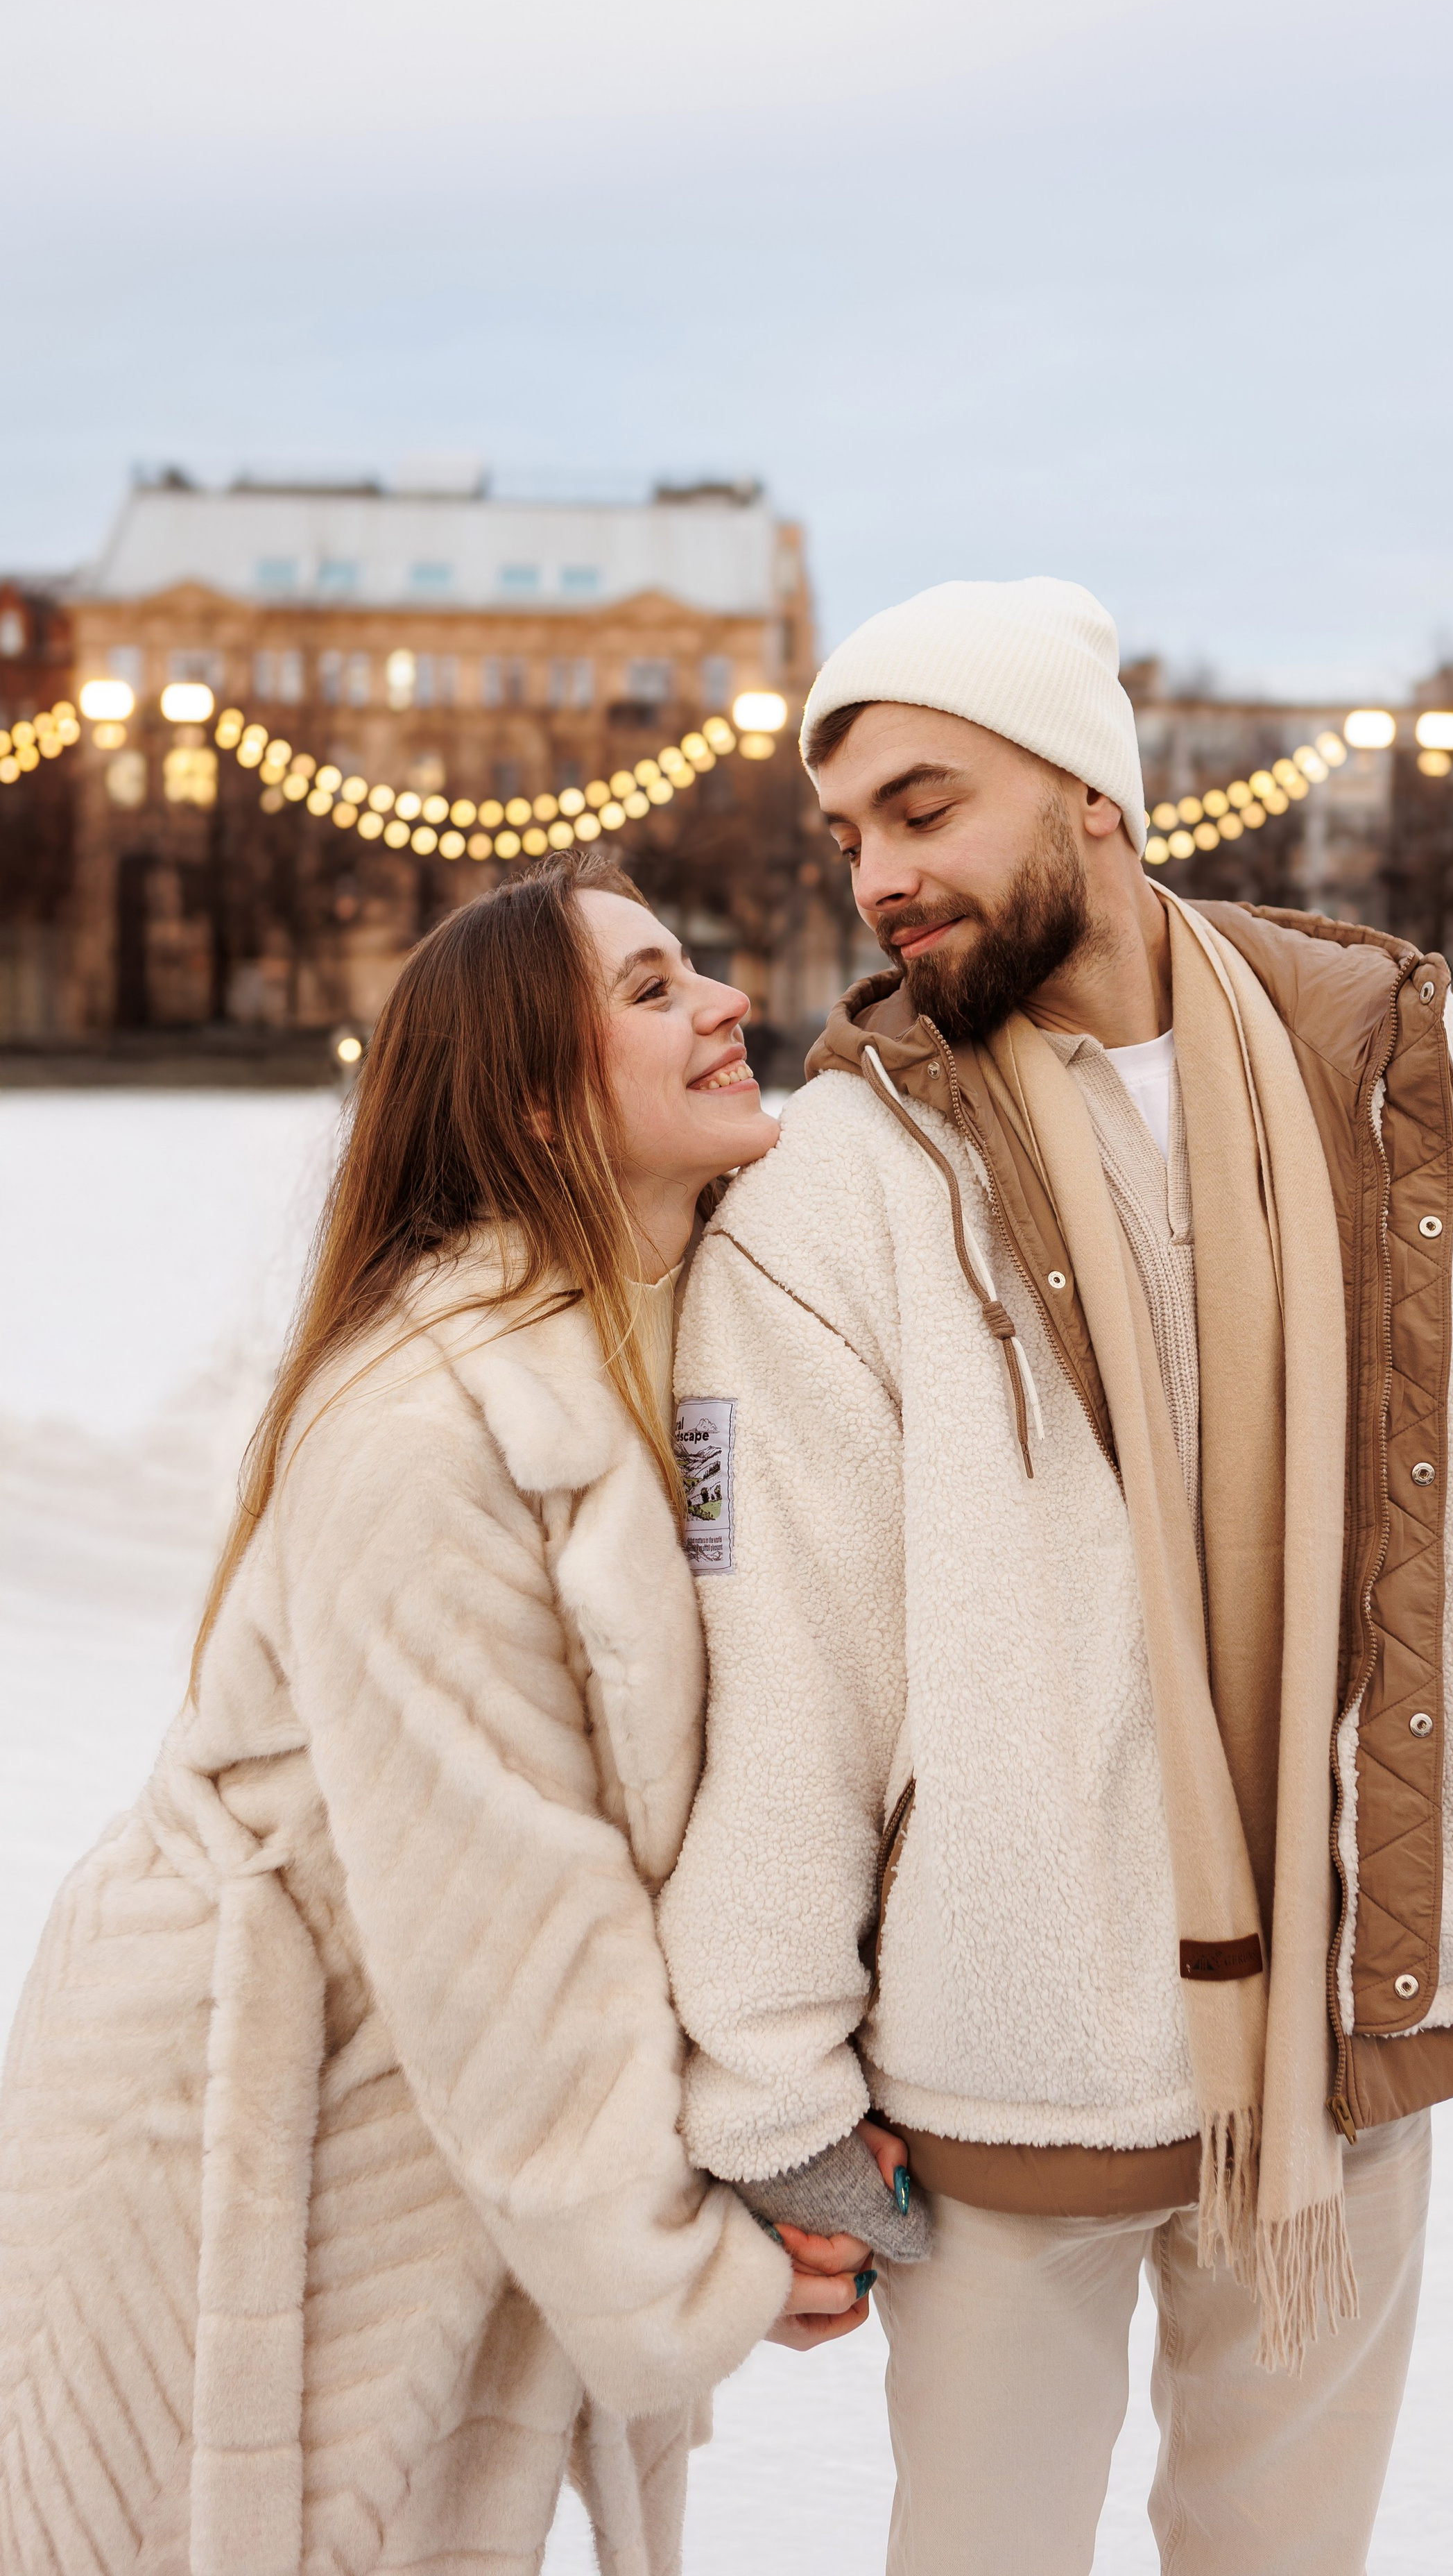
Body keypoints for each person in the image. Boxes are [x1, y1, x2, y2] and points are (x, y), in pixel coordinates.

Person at [656, 579, 1453, 2575]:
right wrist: (768, 2075)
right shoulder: (838, 1187)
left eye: (927, 808)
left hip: (1346, 2036)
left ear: (1092, 791)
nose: (881, 879)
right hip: (996, 2071)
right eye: (849, 840)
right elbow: (782, 1664)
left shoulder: (1426, 1086)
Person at [0, 853, 877, 2576]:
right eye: (648, 989)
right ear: (540, 1110)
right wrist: (694, 2267)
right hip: (236, 2135)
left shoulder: (656, 1347)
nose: (725, 1006)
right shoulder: (428, 1426)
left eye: (691, 968)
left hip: (426, 2134)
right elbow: (514, 1927)